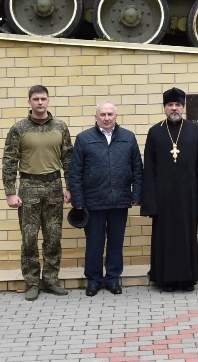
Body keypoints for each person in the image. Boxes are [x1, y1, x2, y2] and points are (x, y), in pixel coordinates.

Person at [141, 87, 198, 292]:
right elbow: (148, 168)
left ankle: (187, 279)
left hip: (188, 196)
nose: (174, 108)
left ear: (183, 107)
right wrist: (149, 201)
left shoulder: (194, 130)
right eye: (170, 105)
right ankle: (164, 279)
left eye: (177, 105)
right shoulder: (155, 131)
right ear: (164, 108)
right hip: (163, 196)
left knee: (187, 236)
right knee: (164, 238)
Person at [2, 85, 73, 301]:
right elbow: (9, 161)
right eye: (35, 99)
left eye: (43, 98)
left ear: (49, 101)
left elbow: (68, 159)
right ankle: (32, 283)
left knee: (53, 237)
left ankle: (51, 280)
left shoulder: (60, 127)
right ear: (29, 102)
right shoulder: (19, 129)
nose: (40, 102)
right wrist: (10, 192)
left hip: (53, 186)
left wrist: (69, 187)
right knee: (29, 238)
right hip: (28, 187)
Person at [66, 101, 143, 297]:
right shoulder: (84, 139)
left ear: (116, 116)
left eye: (110, 114)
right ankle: (93, 281)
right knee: (94, 243)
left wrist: (136, 195)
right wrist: (78, 201)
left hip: (120, 200)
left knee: (116, 243)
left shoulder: (128, 137)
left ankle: (112, 279)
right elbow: (75, 172)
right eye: (103, 114)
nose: (107, 118)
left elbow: (137, 170)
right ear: (96, 117)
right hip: (93, 202)